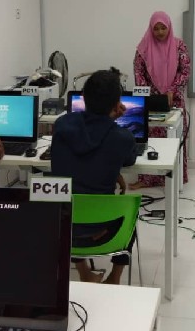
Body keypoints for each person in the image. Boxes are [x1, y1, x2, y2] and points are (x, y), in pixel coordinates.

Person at [51, 70, 136, 284]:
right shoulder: (122, 138)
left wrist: (107, 121)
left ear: (83, 97)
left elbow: (87, 144)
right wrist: (111, 122)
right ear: (116, 104)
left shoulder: (61, 125)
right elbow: (129, 159)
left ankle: (84, 272)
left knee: (72, 202)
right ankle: (114, 278)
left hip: (61, 227)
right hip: (105, 230)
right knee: (130, 214)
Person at [130, 11, 191, 189]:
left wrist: (172, 90)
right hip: (153, 101)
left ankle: (175, 178)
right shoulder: (143, 48)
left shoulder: (179, 46)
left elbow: (185, 71)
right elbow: (139, 72)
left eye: (163, 28)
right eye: (156, 29)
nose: (160, 32)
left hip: (174, 100)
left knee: (174, 139)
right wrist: (150, 94)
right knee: (150, 140)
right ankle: (148, 179)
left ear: (169, 27)